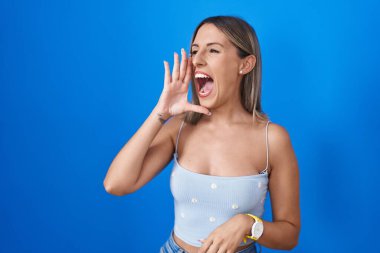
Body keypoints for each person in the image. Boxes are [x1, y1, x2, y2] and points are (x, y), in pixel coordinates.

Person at [103, 15, 300, 253]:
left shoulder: (273, 140)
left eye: (213, 51)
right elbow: (116, 184)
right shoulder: (180, 127)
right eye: (195, 51)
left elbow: (289, 235)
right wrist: (160, 113)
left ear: (245, 65)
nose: (197, 60)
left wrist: (248, 224)